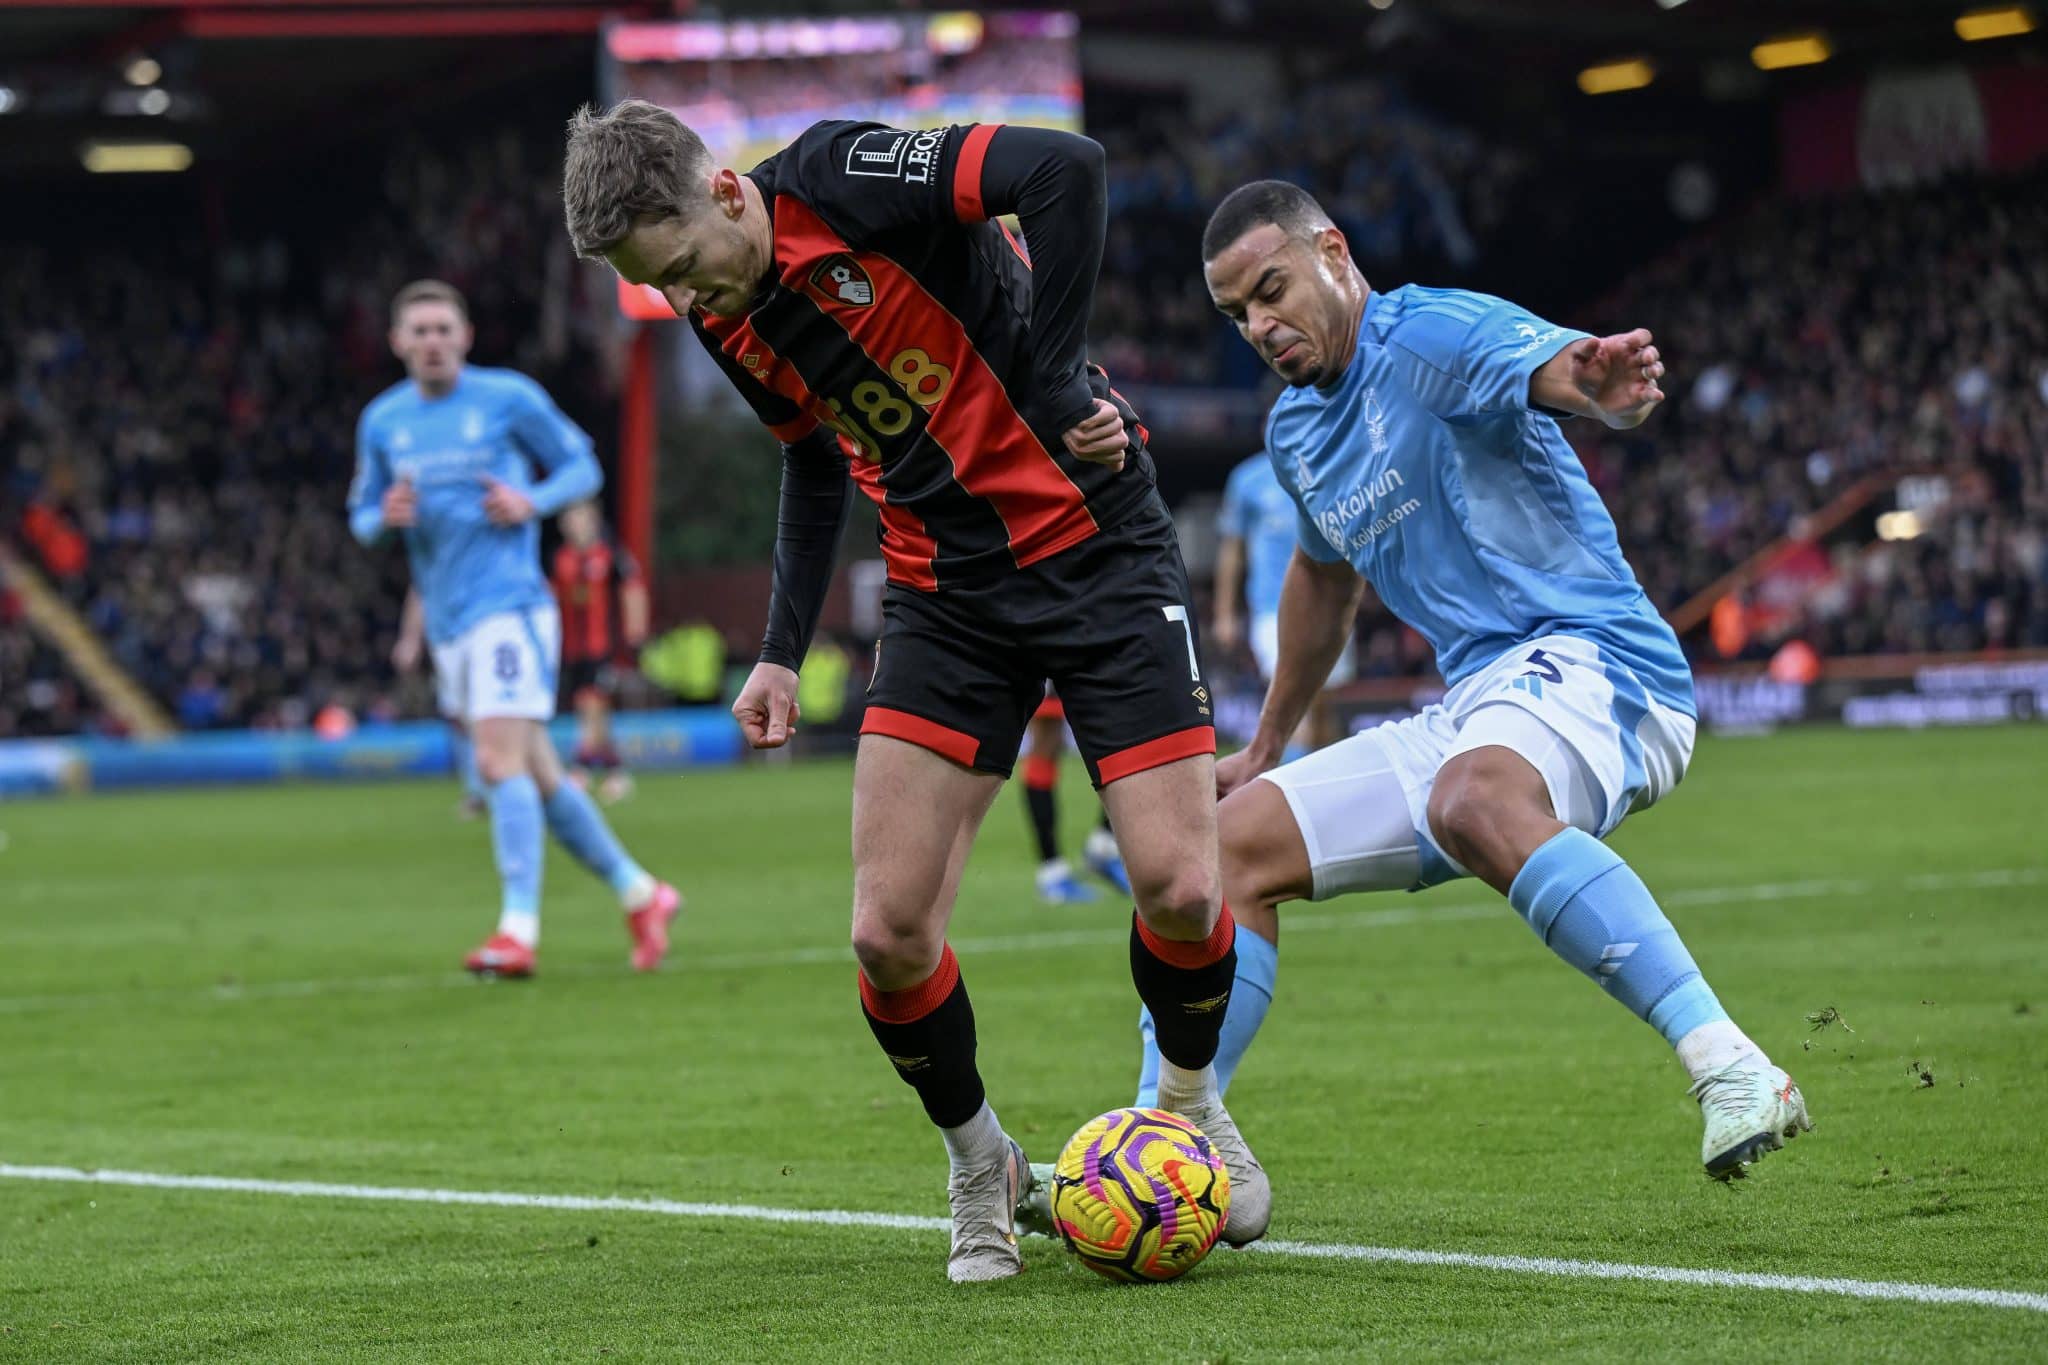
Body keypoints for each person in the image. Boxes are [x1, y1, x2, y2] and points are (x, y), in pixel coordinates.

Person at [564, 101, 1267, 1281]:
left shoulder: (845, 175)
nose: (691, 302)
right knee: (886, 932)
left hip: (1095, 547)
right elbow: (807, 450)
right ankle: (979, 1161)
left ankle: (1187, 1109)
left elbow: (1066, 169)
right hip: (946, 595)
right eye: (661, 288)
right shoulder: (718, 305)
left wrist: (1048, 381)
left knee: (1184, 890)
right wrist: (780, 647)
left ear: (728, 193)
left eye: (684, 267)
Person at [1187, 180, 1811, 1180]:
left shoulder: (1428, 334)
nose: (1260, 326)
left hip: (1606, 667)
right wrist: (1262, 749)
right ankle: (1170, 1137)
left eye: (1270, 290)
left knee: (1473, 798)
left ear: (1332, 254)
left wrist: (1595, 385)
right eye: (1237, 314)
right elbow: (1319, 575)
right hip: (1481, 694)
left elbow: (1548, 365)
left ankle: (1730, 1065)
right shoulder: (1295, 434)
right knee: (1223, 847)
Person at [348, 279, 681, 980]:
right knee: (541, 776)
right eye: (421, 330)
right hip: (447, 623)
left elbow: (583, 465)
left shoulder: (507, 399)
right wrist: (387, 516)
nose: (434, 341)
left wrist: (531, 499)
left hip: (511, 608)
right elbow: (361, 516)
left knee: (496, 764)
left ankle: (517, 931)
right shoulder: (384, 421)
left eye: (445, 328)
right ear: (398, 343)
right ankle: (643, 893)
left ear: (465, 337)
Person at [1214, 450, 1357, 753]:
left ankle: (1322, 789)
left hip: (1330, 602)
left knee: (1321, 711)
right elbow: (1232, 550)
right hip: (1272, 608)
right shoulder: (1248, 478)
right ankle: (1295, 796)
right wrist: (1224, 613)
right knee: (1292, 705)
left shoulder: (1329, 464)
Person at [552, 500, 649, 804]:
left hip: (603, 647)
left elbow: (633, 590)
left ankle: (579, 771)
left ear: (593, 522)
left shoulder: (610, 556)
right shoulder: (560, 559)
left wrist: (635, 633)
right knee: (596, 713)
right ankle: (616, 773)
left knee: (590, 704)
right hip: (570, 648)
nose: (575, 525)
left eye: (581, 519)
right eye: (570, 519)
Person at [1018, 685, 1129, 905]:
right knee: (1045, 743)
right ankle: (1053, 873)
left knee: (1128, 728)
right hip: (1049, 654)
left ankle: (1103, 845)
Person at [392, 586, 487, 819]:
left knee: (486, 713)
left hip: (484, 633)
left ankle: (493, 785)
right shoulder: (433, 557)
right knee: (459, 718)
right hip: (447, 642)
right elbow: (420, 589)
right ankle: (478, 790)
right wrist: (411, 637)